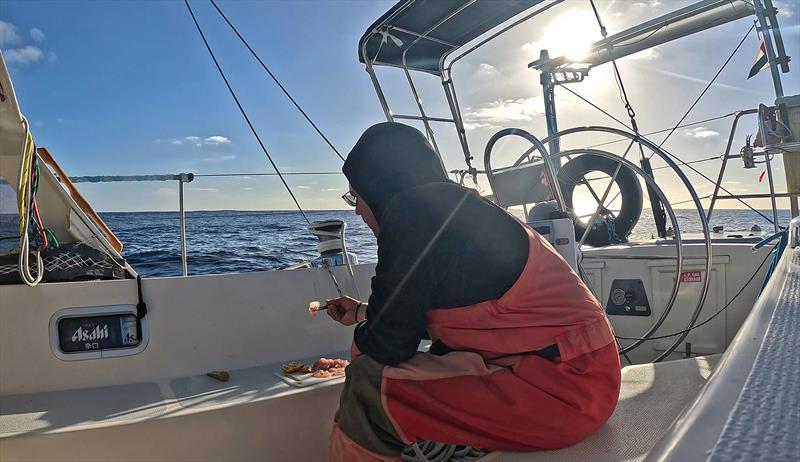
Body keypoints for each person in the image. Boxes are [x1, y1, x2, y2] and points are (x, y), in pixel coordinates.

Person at [325, 122, 621, 461]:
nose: (358, 210)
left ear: (378, 185)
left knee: (368, 388)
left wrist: (362, 339)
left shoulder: (413, 210)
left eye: (356, 196)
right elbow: (446, 315)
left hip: (564, 392)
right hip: (578, 381)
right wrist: (363, 313)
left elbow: (388, 343)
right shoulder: (452, 211)